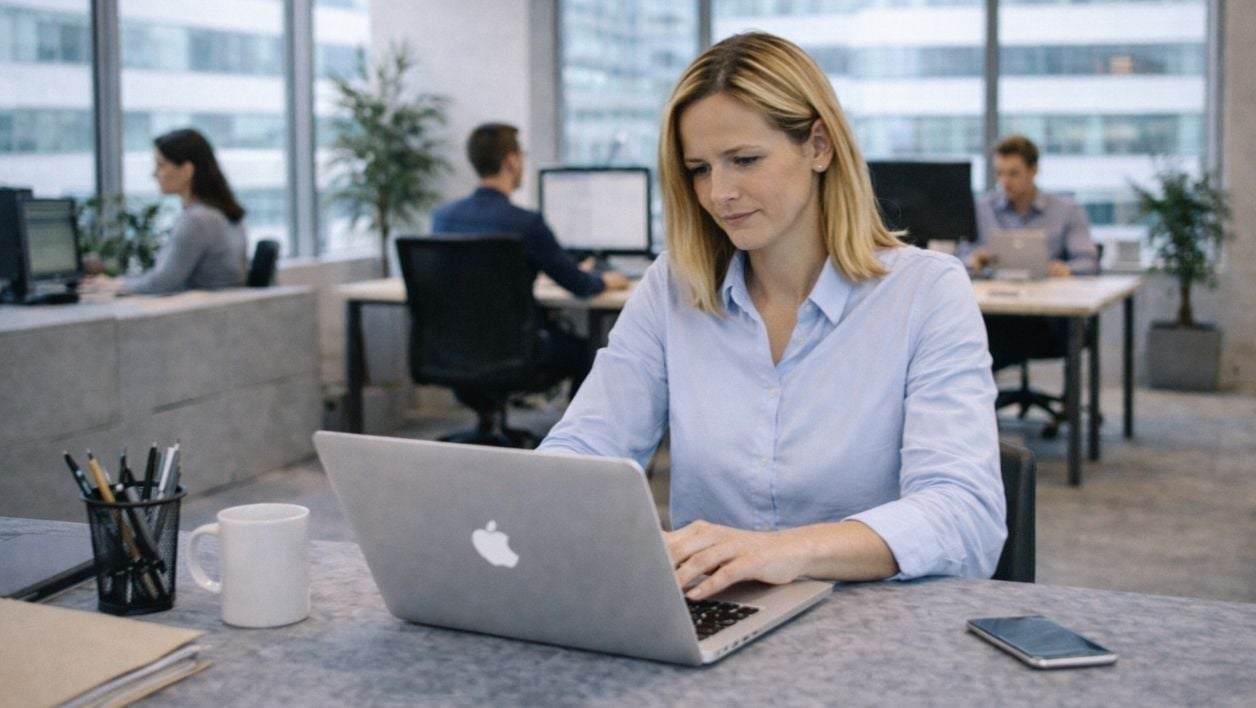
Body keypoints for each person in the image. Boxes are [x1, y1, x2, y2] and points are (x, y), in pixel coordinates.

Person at [538, 32, 1005, 600]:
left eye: (745, 160)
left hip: (869, 624)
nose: (719, 193)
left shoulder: (926, 292)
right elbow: (586, 449)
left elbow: (965, 516)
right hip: (709, 612)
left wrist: (787, 550)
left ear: (819, 146)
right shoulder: (674, 287)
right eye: (700, 168)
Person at [431, 123, 630, 391]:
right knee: (589, 353)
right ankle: (578, 433)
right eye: (522, 155)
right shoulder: (526, 223)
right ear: (511, 161)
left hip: (455, 348)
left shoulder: (442, 218)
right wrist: (607, 279)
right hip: (516, 351)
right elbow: (580, 285)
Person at [965, 135, 1101, 372]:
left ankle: (1069, 409)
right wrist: (974, 260)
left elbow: (1088, 260)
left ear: (1033, 170)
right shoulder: (981, 208)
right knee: (971, 329)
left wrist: (1067, 268)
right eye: (999, 173)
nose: (1005, 181)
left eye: (1013, 173)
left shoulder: (1066, 210)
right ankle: (985, 406)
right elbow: (960, 254)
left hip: (1049, 319)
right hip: (997, 315)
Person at [87, 128, 248, 295]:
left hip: (194, 315)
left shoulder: (198, 220)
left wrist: (115, 284)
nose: (154, 174)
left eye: (161, 165)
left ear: (186, 170)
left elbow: (161, 284)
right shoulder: (222, 213)